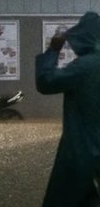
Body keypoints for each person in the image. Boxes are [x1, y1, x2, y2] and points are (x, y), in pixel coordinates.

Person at [36, 11, 100, 207]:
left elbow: (46, 82)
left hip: (83, 147)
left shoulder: (86, 66)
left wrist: (53, 50)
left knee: (69, 196)